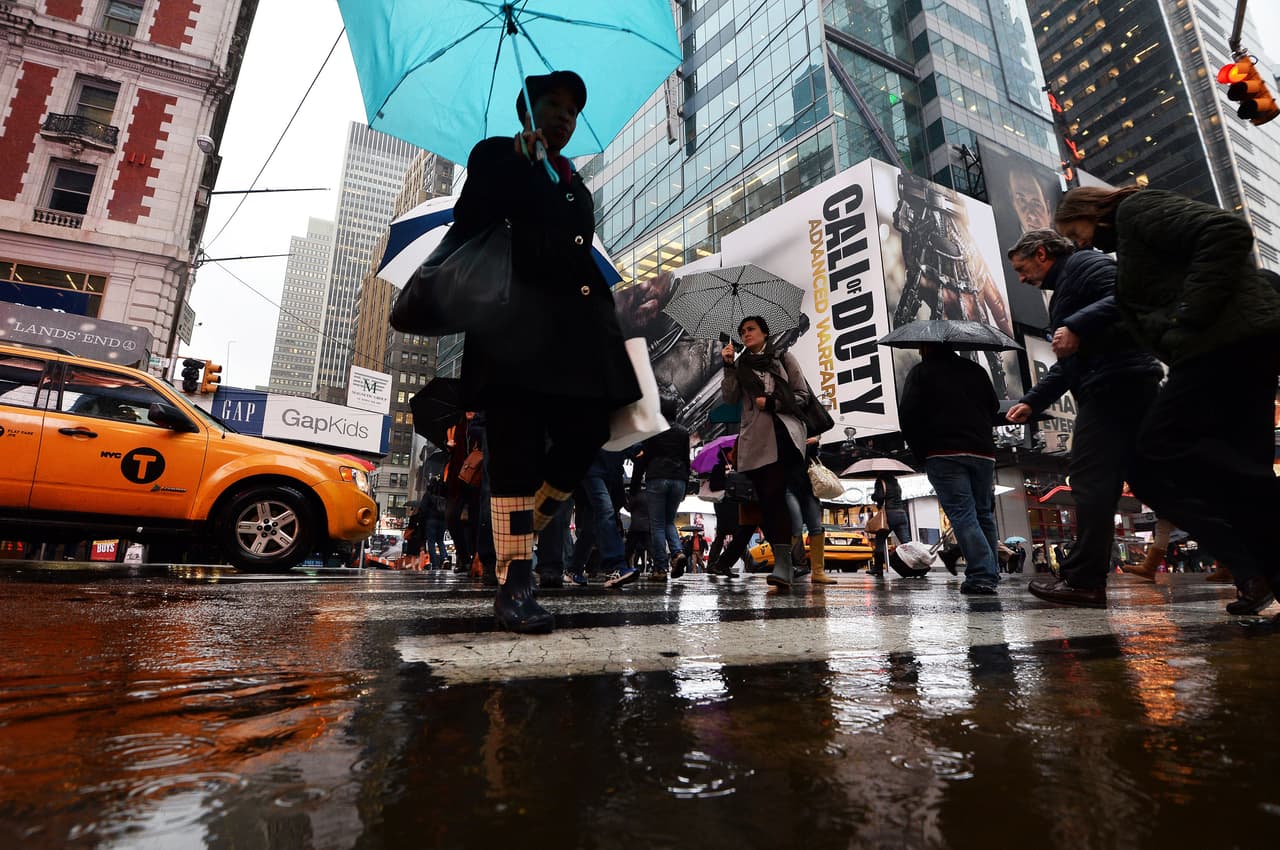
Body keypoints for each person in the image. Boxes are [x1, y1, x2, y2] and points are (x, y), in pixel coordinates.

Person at [449, 70, 641, 632]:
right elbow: (469, 221)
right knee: (514, 450)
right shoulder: (496, 156)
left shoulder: (571, 177)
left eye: (572, 110)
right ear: (527, 111)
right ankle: (516, 581)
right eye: (552, 105)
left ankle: (520, 530)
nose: (564, 117)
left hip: (575, 333)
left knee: (587, 433)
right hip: (513, 329)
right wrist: (517, 164)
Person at [1054, 185, 1280, 615]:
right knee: (1242, 461)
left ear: (1089, 210)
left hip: (1223, 343)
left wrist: (1187, 318)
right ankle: (1263, 571)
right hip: (1225, 345)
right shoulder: (1128, 252)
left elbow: (1225, 230)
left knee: (1162, 447)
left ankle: (1257, 540)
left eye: (1076, 231)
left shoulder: (1138, 208)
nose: (1079, 242)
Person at [1004, 229, 1163, 607]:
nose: (1022, 278)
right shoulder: (1066, 286)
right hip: (1115, 383)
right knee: (1159, 487)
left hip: (1115, 385)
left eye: (1022, 268)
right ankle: (1254, 566)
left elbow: (1129, 296)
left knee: (1091, 479)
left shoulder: (1086, 264)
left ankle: (1084, 580)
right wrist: (1033, 400)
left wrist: (1077, 325)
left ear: (1041, 253)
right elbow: (1071, 358)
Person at [897, 343, 1001, 594]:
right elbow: (994, 407)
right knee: (983, 514)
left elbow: (908, 416)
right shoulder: (976, 370)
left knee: (963, 514)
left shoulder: (921, 372)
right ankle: (991, 571)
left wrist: (920, 452)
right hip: (983, 452)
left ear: (925, 346)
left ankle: (981, 575)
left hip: (943, 452)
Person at [721, 315, 813, 591]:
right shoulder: (740, 365)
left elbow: (802, 395)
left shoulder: (784, 358)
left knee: (774, 495)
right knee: (766, 501)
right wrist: (727, 366)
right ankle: (786, 561)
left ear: (764, 332)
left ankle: (784, 565)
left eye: (750, 329)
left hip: (784, 436)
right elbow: (729, 398)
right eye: (742, 331)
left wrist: (772, 402)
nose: (745, 334)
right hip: (755, 441)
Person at [637, 405, 691, 581]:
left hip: (657, 477)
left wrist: (636, 484)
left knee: (658, 524)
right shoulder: (683, 432)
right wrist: (686, 483)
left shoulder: (653, 430)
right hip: (678, 479)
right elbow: (686, 458)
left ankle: (660, 568)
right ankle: (677, 553)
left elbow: (644, 458)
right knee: (669, 521)